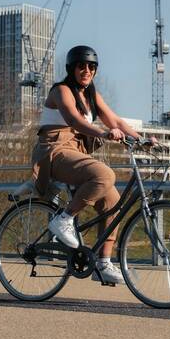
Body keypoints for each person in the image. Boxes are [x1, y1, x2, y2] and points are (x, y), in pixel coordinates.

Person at [32, 45, 152, 285]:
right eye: (81, 66)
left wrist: (142, 139)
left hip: (76, 153)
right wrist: (104, 134)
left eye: (91, 67)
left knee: (113, 203)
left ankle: (103, 263)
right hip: (54, 152)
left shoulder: (91, 95)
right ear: (71, 68)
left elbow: (115, 119)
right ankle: (63, 219)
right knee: (105, 174)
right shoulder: (61, 90)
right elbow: (73, 119)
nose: (86, 70)